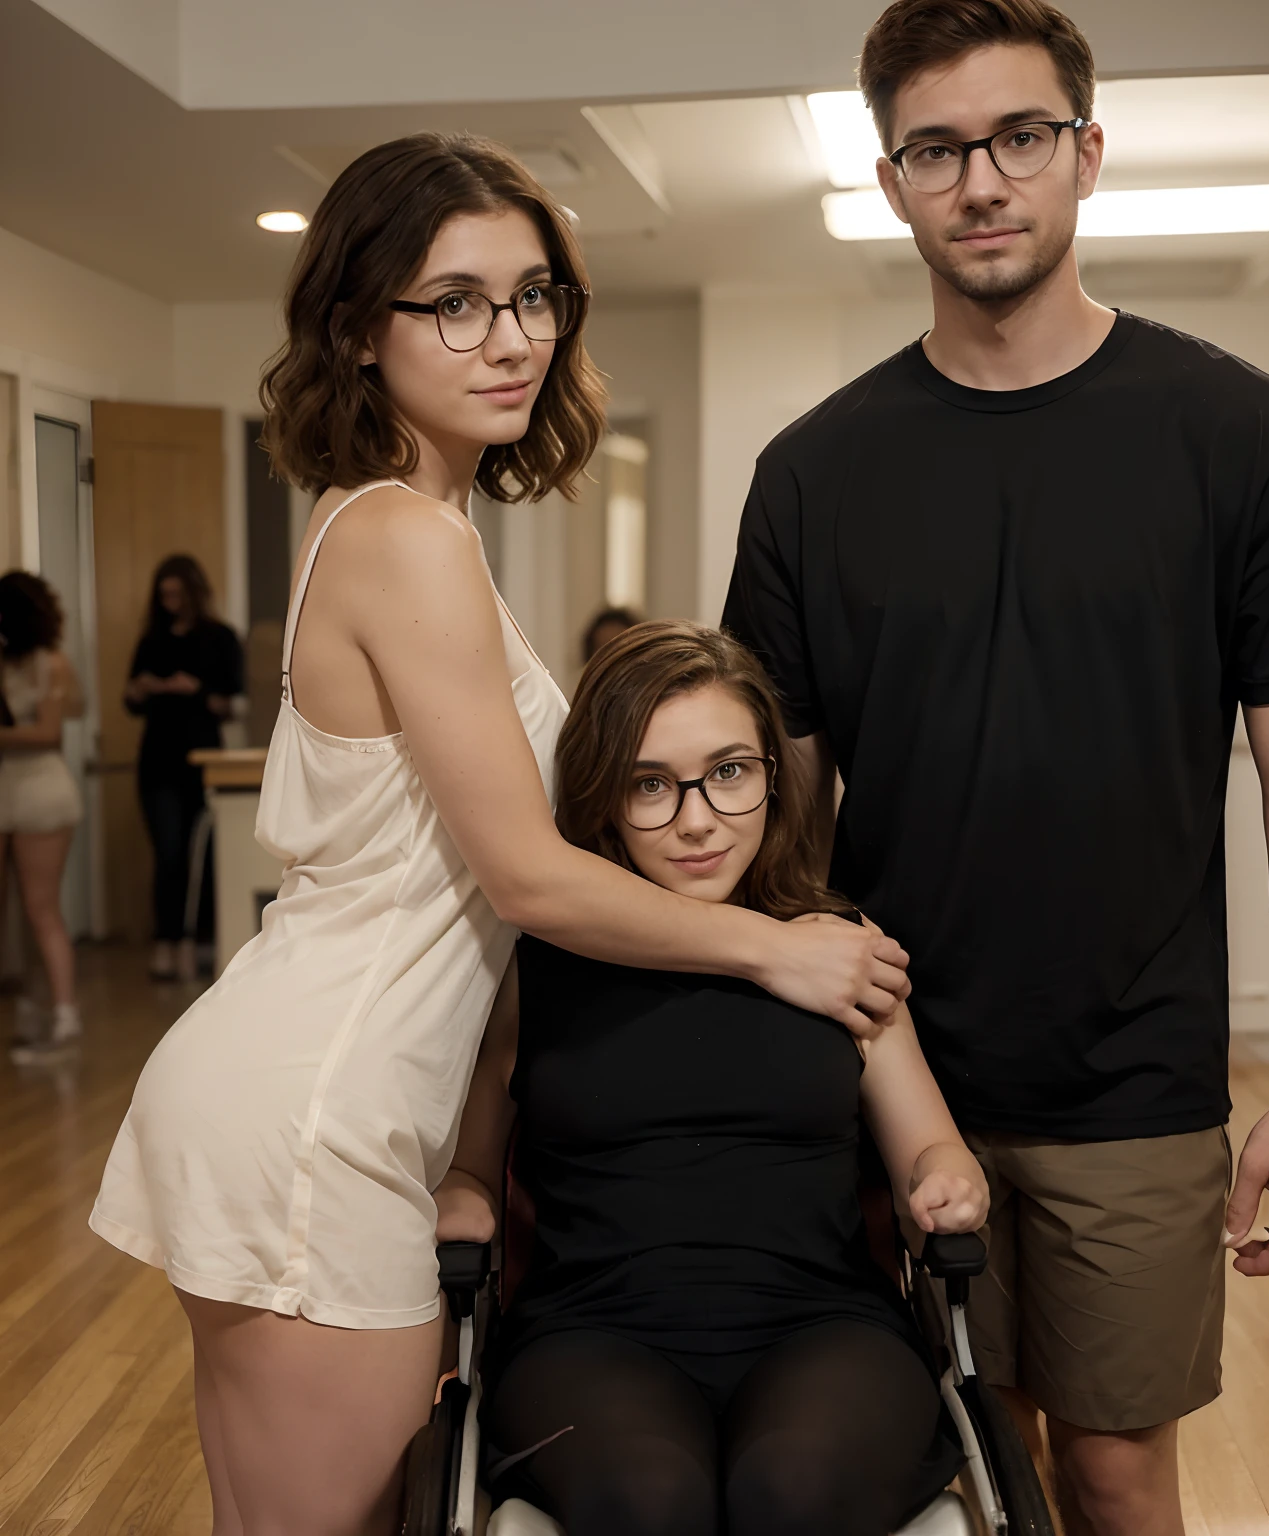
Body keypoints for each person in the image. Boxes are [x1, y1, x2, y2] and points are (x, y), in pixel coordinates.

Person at [90, 134, 909, 1536]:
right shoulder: (404, 537)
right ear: (359, 328)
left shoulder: (412, 526)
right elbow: (527, 873)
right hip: (317, 1111)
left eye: (533, 297)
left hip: (315, 1084)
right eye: (453, 301)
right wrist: (781, 955)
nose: (509, 336)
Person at [721, 4, 1269, 1533]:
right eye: (939, 148)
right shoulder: (813, 475)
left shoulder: (1238, 435)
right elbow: (783, 821)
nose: (984, 180)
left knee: (1110, 1470)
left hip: (1134, 1078)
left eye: (1021, 137)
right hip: (892, 1071)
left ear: (1088, 154)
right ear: (892, 180)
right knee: (963, 1461)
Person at [438, 621, 987, 1536]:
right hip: (591, 1336)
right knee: (653, 1502)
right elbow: (470, 1166)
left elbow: (931, 1142)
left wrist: (947, 1179)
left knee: (793, 1493)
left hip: (825, 1328)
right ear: (602, 798)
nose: (697, 819)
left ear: (775, 772)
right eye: (650, 784)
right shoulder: (539, 963)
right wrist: (462, 1196)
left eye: (729, 772)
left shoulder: (838, 950)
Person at [124, 555, 244, 981]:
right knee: (168, 854)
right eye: (164, 595)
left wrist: (196, 690)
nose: (170, 602)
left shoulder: (220, 638)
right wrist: (143, 688)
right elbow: (130, 701)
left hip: (203, 759)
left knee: (207, 857)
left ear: (193, 592)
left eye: (177, 593)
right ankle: (166, 943)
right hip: (157, 761)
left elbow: (233, 705)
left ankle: (201, 942)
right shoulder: (151, 640)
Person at [0, 571, 85, 1063]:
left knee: (41, 908)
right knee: (19, 913)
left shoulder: (51, 664)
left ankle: (65, 1015)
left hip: (41, 792)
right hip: (9, 790)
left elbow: (48, 734)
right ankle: (29, 1009)